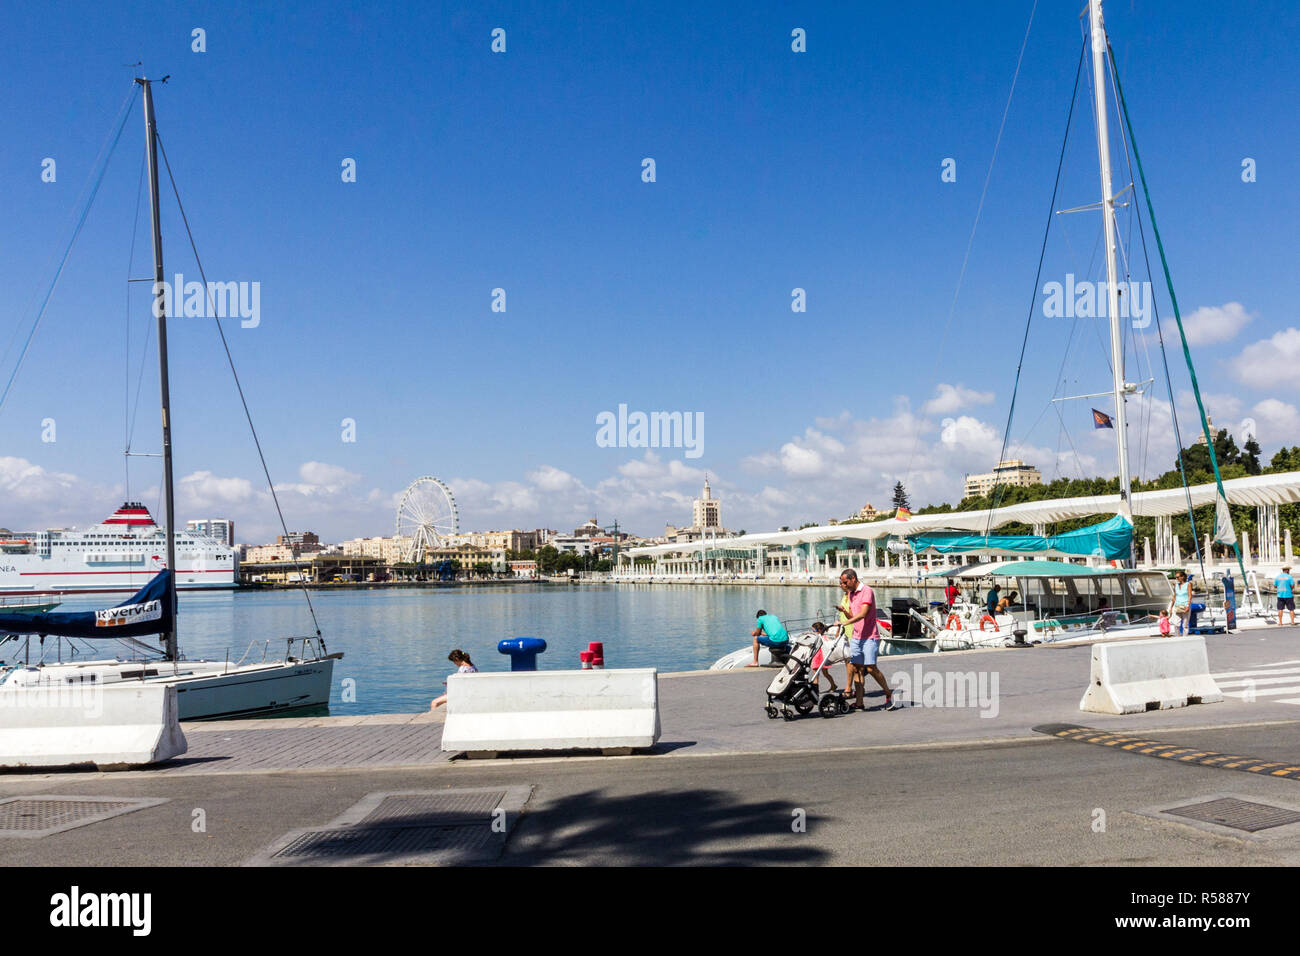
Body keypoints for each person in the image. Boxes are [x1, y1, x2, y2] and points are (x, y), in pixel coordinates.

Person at [839, 568, 892, 711]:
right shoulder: (851, 594)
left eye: (845, 582)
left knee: (871, 668)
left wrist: (845, 623)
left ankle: (888, 693)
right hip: (856, 637)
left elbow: (863, 614)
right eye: (841, 582)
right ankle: (859, 702)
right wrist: (845, 613)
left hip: (869, 637)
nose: (843, 585)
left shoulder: (866, 591)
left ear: (853, 579)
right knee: (857, 669)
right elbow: (854, 616)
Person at [808, 622, 841, 693]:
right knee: (818, 673)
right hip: (818, 657)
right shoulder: (819, 636)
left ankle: (816, 690)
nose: (813, 632)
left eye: (814, 631)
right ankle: (832, 685)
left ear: (819, 630)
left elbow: (830, 644)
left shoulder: (824, 637)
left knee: (822, 674)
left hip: (821, 656)